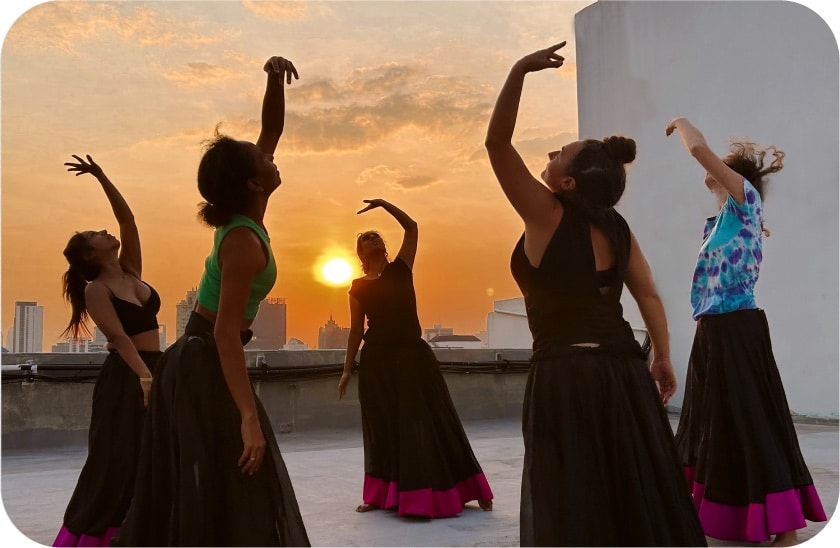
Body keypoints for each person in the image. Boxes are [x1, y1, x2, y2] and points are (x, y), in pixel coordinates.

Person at [485, 43, 706, 546]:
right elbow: (648, 296)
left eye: (558, 154)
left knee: (573, 503)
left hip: (565, 377)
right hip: (623, 372)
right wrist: (662, 357)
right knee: (632, 496)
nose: (549, 154)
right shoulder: (618, 228)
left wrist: (519, 70)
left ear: (566, 182)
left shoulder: (545, 214)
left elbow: (497, 145)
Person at [113, 56, 310, 546]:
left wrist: (274, 80)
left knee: (229, 478)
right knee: (237, 468)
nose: (269, 155)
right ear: (253, 182)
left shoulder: (248, 211)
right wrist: (248, 415)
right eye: (259, 158)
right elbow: (225, 334)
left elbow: (272, 131)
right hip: (205, 359)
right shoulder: (242, 240)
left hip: (201, 356)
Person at [666, 117, 827, 546]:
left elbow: (698, 150)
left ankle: (786, 527)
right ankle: (737, 518)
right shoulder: (721, 219)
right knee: (716, 426)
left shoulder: (745, 200)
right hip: (713, 331)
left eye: (721, 166)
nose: (711, 169)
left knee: (752, 423)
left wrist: (681, 123)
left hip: (737, 329)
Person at [338, 198, 494, 518]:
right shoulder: (357, 288)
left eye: (377, 236)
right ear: (361, 253)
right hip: (377, 362)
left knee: (433, 421)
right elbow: (355, 331)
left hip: (413, 358)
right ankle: (379, 495)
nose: (374, 238)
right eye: (367, 238)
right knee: (383, 425)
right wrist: (346, 369)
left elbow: (411, 227)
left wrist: (384, 204)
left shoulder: (401, 269)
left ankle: (468, 487)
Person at [53, 155, 161, 547]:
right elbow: (118, 337)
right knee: (117, 461)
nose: (102, 230)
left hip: (154, 370)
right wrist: (145, 377)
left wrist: (101, 176)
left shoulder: (132, 272)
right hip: (127, 377)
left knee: (150, 456)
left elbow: (127, 220)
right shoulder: (96, 290)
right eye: (92, 234)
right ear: (89, 254)